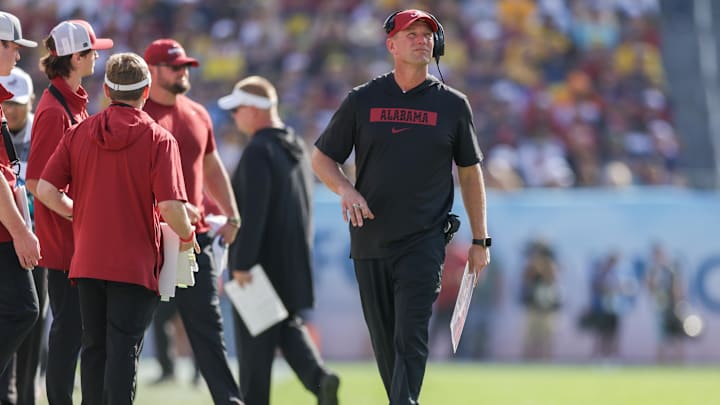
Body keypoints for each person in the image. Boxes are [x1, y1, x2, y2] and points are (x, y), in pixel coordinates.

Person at [311, 9, 491, 404]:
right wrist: (346, 190)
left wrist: (481, 239)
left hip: (424, 241)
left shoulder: (454, 105)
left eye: (428, 34)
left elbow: (470, 173)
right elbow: (322, 158)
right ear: (391, 44)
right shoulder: (362, 100)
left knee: (411, 333)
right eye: (411, 33)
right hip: (370, 238)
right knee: (386, 340)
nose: (422, 39)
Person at [34, 52, 198, 405]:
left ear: (107, 90)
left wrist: (79, 214)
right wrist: (187, 235)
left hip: (88, 261)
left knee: (94, 349)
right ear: (147, 90)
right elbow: (170, 207)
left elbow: (45, 190)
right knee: (123, 350)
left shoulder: (78, 133)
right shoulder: (159, 139)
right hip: (134, 264)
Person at [219, 76, 340, 405]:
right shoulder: (297, 146)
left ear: (256, 110)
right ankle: (320, 379)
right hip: (292, 261)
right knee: (288, 328)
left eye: (238, 109)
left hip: (259, 265)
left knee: (254, 353)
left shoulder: (258, 150)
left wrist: (242, 263)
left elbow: (253, 211)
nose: (234, 117)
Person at [142, 38, 242, 405]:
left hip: (193, 239)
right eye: (175, 66)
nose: (183, 72)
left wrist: (231, 211)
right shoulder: (138, 114)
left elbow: (211, 165)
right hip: (147, 239)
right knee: (129, 330)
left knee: (208, 329)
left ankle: (229, 400)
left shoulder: (199, 113)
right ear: (152, 71)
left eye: (185, 66)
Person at [25, 19, 113, 405]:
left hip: (71, 238)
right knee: (69, 329)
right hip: (63, 243)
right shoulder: (53, 111)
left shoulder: (69, 102)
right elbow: (36, 182)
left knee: (73, 328)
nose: (97, 56)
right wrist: (83, 216)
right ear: (76, 58)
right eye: (92, 51)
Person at [0, 67, 47, 405]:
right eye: (8, 102)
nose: (13, 109)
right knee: (20, 315)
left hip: (37, 240)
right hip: (11, 236)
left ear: (31, 101)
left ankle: (24, 396)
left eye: (18, 102)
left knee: (31, 323)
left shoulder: (43, 136)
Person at [0, 9, 40, 380]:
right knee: (25, 310)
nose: (18, 55)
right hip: (2, 229)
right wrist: (20, 231)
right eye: (13, 46)